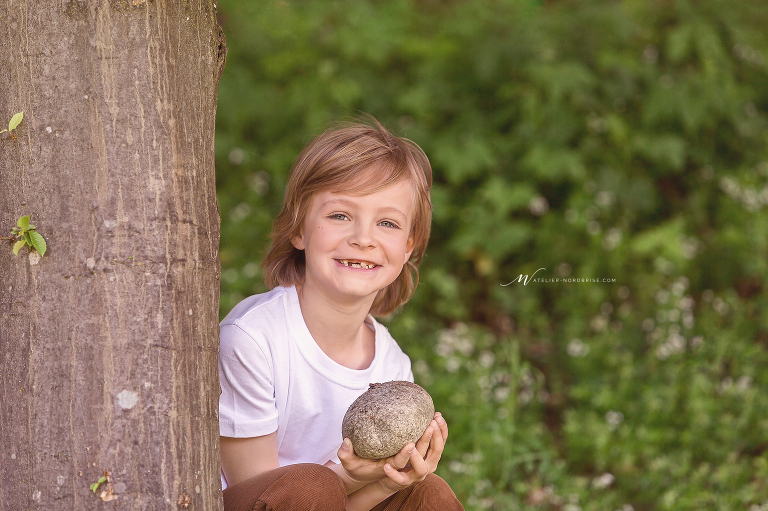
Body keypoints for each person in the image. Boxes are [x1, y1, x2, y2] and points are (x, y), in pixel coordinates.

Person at [218, 118, 464, 511]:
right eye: (339, 216)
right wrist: (345, 474)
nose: (363, 238)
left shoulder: (392, 366)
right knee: (311, 486)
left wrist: (387, 485)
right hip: (259, 503)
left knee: (428, 493)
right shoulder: (252, 339)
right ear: (299, 229)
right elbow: (268, 496)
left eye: (387, 223)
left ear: (407, 246)